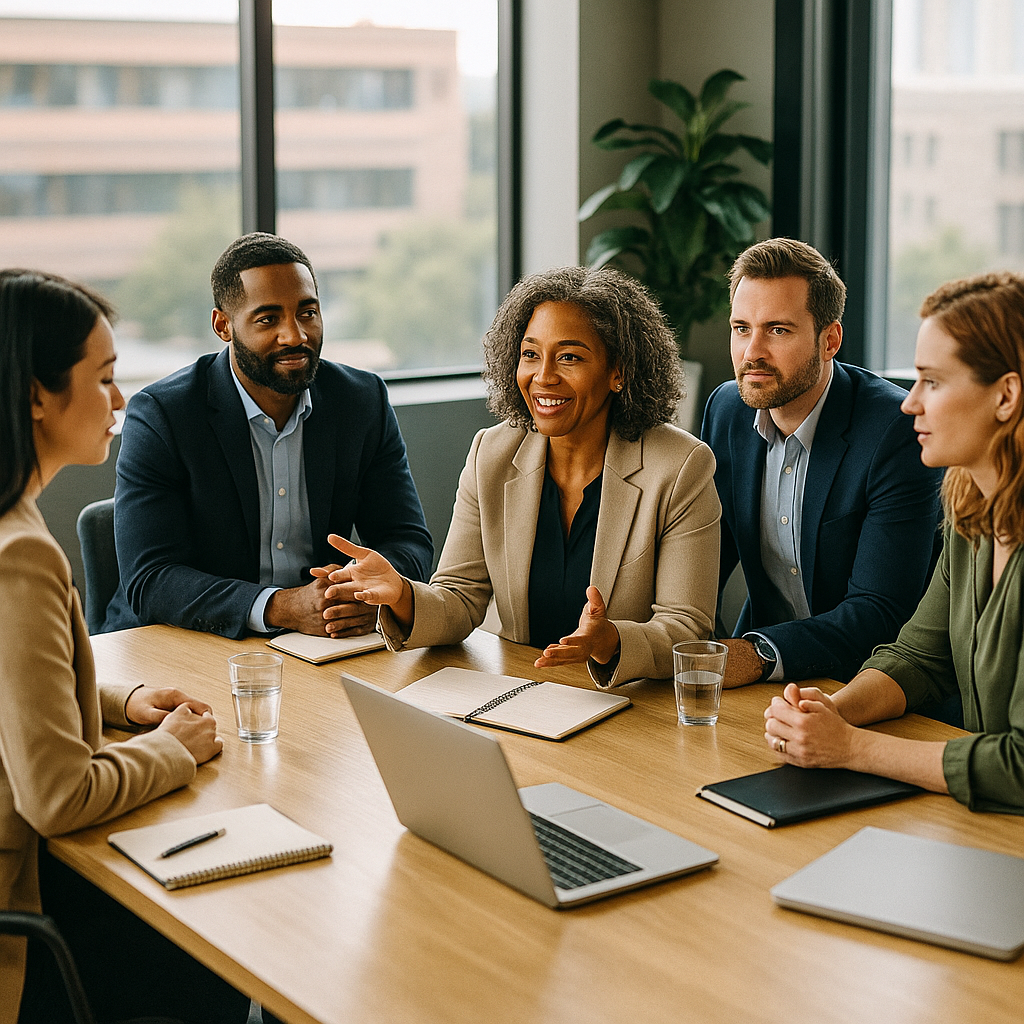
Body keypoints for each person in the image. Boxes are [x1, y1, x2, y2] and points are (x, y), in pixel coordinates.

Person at [0, 270, 248, 1023]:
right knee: (225, 957)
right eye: (104, 379)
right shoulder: (20, 557)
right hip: (31, 925)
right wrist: (174, 747)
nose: (120, 400)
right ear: (38, 396)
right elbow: (58, 796)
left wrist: (120, 702)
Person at [324, 265, 721, 688]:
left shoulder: (681, 467)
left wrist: (612, 641)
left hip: (631, 707)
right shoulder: (492, 453)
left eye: (569, 357)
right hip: (523, 696)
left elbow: (687, 628)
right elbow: (460, 596)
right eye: (531, 354)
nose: (543, 376)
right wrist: (402, 594)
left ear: (618, 372)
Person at [764, 271, 1024, 813]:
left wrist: (853, 747)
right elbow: (920, 657)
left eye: (932, 381)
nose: (910, 404)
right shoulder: (970, 515)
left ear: (1005, 395)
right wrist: (832, 712)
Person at [102, 232, 433, 639]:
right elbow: (150, 580)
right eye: (268, 319)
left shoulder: (361, 401)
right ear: (223, 326)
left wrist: (370, 592)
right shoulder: (163, 415)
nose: (295, 335)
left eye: (307, 313)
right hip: (178, 642)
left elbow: (408, 539)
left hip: (316, 642)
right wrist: (282, 607)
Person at [700, 237, 942, 687]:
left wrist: (754, 654)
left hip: (870, 682)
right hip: (767, 677)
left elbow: (881, 611)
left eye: (778, 330)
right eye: (740, 328)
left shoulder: (895, 430)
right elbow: (705, 556)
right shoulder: (728, 410)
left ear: (829, 340)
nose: (752, 352)